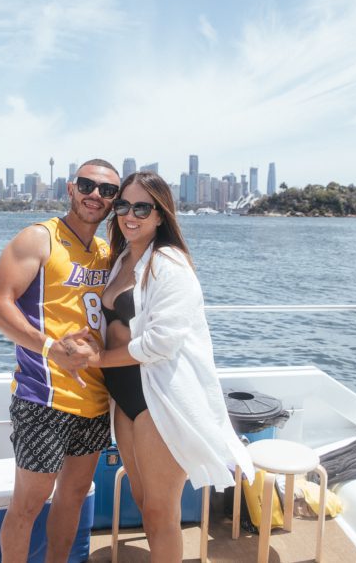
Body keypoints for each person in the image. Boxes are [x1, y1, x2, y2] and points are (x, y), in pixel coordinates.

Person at [88, 171, 255, 562]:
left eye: (142, 208)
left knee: (162, 510)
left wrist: (98, 359)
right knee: (145, 501)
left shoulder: (168, 262)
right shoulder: (123, 258)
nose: (130, 215)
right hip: (124, 396)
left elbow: (161, 342)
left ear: (161, 215)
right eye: (123, 206)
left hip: (156, 398)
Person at [0, 158, 121, 563]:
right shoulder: (38, 238)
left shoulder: (106, 251)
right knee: (28, 503)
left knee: (74, 497)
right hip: (43, 398)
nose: (96, 195)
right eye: (88, 185)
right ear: (70, 188)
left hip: (94, 399)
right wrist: (49, 348)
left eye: (107, 190)